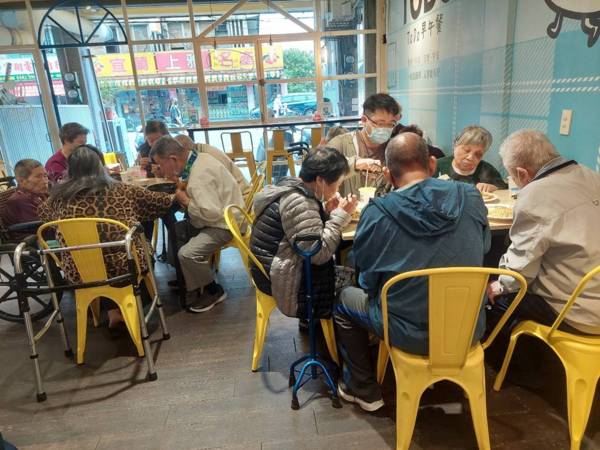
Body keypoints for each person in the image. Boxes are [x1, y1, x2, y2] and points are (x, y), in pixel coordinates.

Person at [334, 133, 490, 412]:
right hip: (467, 328)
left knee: (343, 299)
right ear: (432, 164)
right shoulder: (470, 196)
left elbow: (366, 275)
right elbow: (485, 246)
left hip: (406, 331)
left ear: (388, 175)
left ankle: (362, 389)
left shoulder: (377, 212)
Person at [39, 145, 173, 328]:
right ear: (100, 166)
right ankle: (125, 309)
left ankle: (112, 311)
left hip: (80, 271)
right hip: (125, 266)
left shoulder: (57, 199)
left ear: (70, 170)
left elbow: (43, 214)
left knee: (95, 264)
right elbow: (161, 202)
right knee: (142, 250)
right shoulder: (123, 190)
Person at [487, 130, 600, 337]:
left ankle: (506, 353)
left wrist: (497, 285)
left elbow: (519, 273)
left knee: (496, 299)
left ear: (522, 173)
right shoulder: (591, 175)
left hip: (578, 315)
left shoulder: (535, 195)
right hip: (592, 289)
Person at [249, 147, 357, 318]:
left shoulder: (291, 186)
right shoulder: (299, 202)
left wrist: (325, 211)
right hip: (286, 283)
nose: (339, 187)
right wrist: (340, 216)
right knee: (355, 279)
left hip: (275, 268)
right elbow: (318, 254)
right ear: (320, 180)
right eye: (338, 183)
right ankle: (332, 328)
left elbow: (302, 229)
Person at [150, 136, 244, 313]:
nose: (160, 169)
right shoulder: (199, 159)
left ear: (172, 159)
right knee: (178, 231)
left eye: (160, 165)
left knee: (187, 253)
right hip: (223, 216)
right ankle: (188, 280)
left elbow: (210, 213)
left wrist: (186, 201)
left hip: (225, 224)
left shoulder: (200, 174)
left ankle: (213, 290)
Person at [327, 93, 402, 197]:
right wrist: (355, 164)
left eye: (391, 124)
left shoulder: (393, 150)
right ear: (364, 120)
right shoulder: (341, 143)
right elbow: (319, 170)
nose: (385, 128)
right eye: (380, 123)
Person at [436, 125, 507, 192]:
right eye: (466, 150)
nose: (470, 157)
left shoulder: (487, 170)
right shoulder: (437, 166)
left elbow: (504, 189)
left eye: (478, 154)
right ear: (455, 145)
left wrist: (493, 188)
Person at [173, 134, 250, 195]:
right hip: (234, 195)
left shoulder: (208, 156)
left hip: (242, 197)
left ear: (186, 151)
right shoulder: (198, 151)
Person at [1, 159, 48, 239]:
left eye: (45, 175)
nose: (45, 181)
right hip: (32, 241)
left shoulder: (41, 193)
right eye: (38, 177)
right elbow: (43, 227)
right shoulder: (18, 200)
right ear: (22, 181)